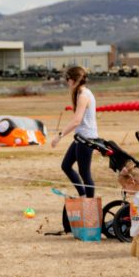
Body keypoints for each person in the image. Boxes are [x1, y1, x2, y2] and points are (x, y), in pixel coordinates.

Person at [56, 66, 99, 199]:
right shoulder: (82, 93)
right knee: (66, 165)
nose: (67, 82)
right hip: (80, 137)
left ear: (74, 80)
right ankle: (83, 195)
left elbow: (76, 121)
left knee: (85, 173)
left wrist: (59, 136)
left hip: (86, 139)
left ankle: (90, 204)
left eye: (67, 79)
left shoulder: (83, 96)